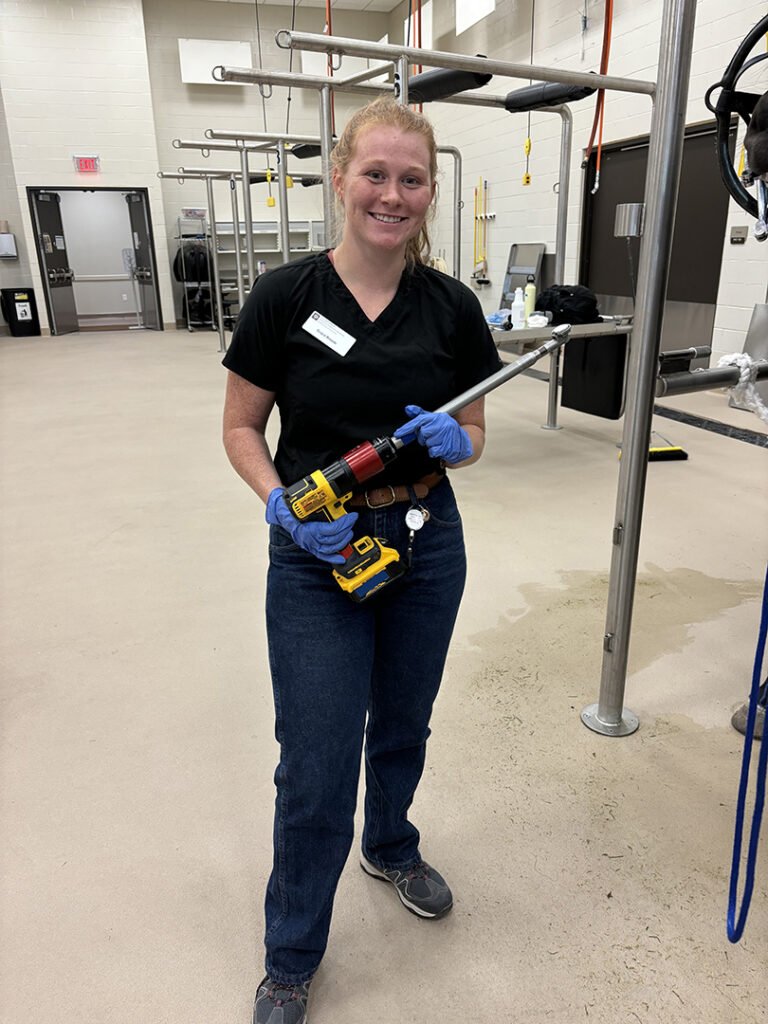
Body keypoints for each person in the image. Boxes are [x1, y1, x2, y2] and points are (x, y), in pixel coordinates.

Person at [222, 97, 503, 1024]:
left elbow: (474, 426)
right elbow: (239, 426)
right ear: (339, 178)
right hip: (317, 551)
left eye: (411, 178)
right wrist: (279, 505)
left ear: (430, 191)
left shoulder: (451, 307)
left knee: (405, 723)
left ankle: (389, 843)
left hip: (426, 542)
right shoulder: (285, 296)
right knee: (314, 757)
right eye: (374, 174)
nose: (392, 194)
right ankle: (293, 952)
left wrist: (457, 444)